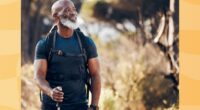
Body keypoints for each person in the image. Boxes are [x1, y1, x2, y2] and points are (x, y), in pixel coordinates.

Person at [34, 0, 101, 110]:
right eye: (67, 10)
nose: (73, 13)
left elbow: (96, 75)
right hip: (51, 107)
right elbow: (38, 77)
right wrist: (51, 92)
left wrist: (94, 106)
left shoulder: (86, 43)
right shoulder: (45, 45)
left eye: (74, 10)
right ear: (56, 16)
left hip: (80, 106)